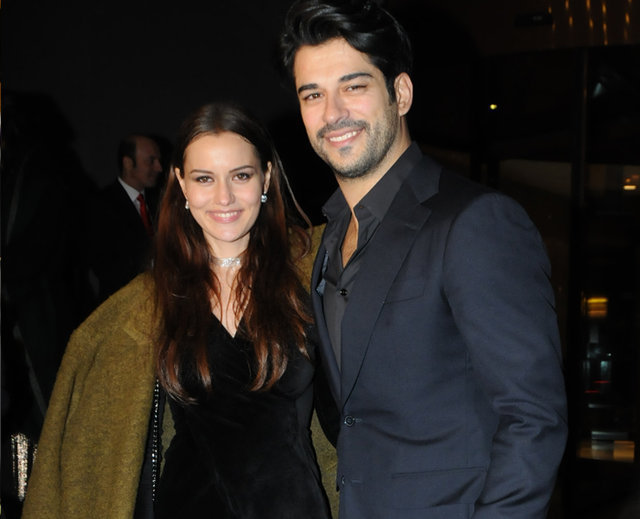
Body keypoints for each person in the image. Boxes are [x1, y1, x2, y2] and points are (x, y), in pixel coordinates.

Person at [280, 1, 568, 518]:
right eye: (312, 94)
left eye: (354, 86)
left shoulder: (476, 222)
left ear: (402, 93)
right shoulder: (328, 240)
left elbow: (534, 419)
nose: (332, 113)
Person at [21, 102, 333, 519]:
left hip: (292, 507)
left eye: (240, 175)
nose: (224, 197)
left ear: (266, 177)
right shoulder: (147, 304)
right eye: (204, 178)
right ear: (182, 184)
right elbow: (91, 436)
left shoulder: (313, 274)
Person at [89, 134, 163, 303]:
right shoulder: (101, 204)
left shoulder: (159, 202)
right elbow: (104, 265)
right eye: (151, 161)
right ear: (128, 163)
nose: (159, 168)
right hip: (122, 304)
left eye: (158, 160)